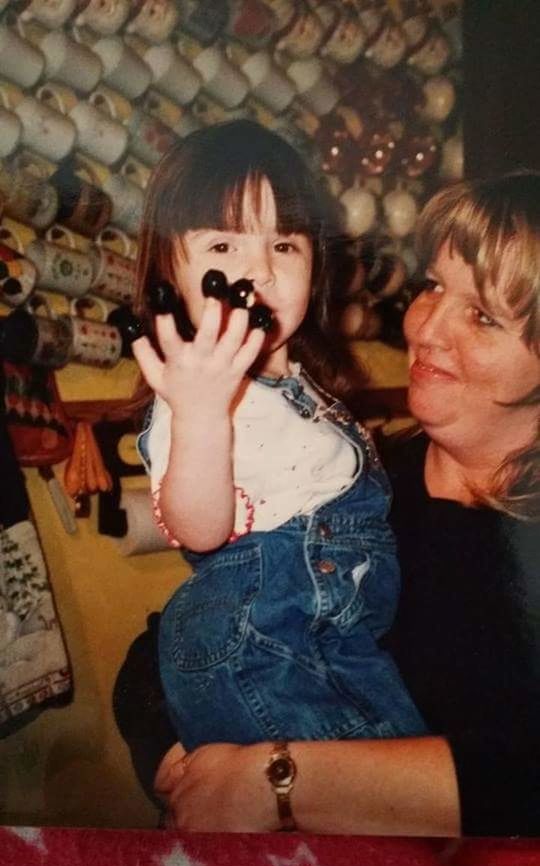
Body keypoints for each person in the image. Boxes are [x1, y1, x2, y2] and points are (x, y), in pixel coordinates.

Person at [116, 168, 540, 838]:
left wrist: (278, 785)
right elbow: (160, 651)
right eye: (434, 285)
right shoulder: (351, 475)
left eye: (483, 315)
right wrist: (190, 772)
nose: (424, 328)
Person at [129, 119, 425, 758]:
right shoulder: (196, 392)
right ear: (168, 270)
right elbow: (199, 530)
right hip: (265, 646)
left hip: (331, 637)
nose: (258, 271)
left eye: (284, 246)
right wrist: (202, 415)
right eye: (224, 247)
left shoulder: (297, 384)